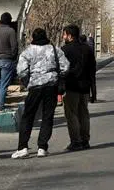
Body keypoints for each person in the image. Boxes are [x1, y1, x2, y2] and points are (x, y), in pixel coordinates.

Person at [12, 28, 70, 159]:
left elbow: (21, 71)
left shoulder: (28, 51)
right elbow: (65, 66)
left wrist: (28, 80)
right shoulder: (54, 50)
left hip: (35, 86)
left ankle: (23, 147)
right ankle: (42, 147)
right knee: (47, 116)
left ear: (33, 37)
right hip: (51, 86)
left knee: (28, 116)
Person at [61, 25, 96, 150]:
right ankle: (85, 140)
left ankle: (76, 141)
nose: (63, 37)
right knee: (84, 114)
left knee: (72, 114)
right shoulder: (87, 49)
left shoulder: (65, 50)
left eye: (64, 35)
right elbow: (92, 71)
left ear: (70, 36)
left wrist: (60, 88)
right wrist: (93, 91)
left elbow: (62, 70)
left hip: (72, 87)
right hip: (85, 87)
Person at [0, 12, 19, 113]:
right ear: (9, 20)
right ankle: (1, 107)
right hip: (7, 60)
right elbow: (14, 47)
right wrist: (12, 57)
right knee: (4, 85)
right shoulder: (11, 31)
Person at [81, 34, 98, 103]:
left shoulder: (80, 48)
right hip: (92, 67)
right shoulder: (89, 47)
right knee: (93, 82)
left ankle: (87, 97)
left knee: (87, 82)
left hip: (85, 68)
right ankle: (94, 97)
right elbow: (92, 44)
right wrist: (91, 37)